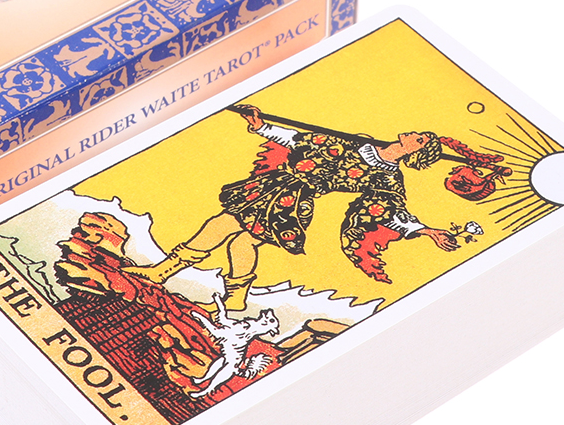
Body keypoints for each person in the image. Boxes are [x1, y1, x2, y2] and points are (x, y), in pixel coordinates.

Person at [128, 104, 459, 310]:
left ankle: (163, 273)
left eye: (420, 140)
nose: (414, 134)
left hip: (293, 201)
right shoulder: (358, 141)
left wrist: (426, 230)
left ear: (415, 154)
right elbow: (299, 141)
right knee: (241, 242)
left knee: (223, 226)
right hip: (274, 184)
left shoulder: (387, 178)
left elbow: (391, 212)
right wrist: (261, 127)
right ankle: (235, 298)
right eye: (420, 134)